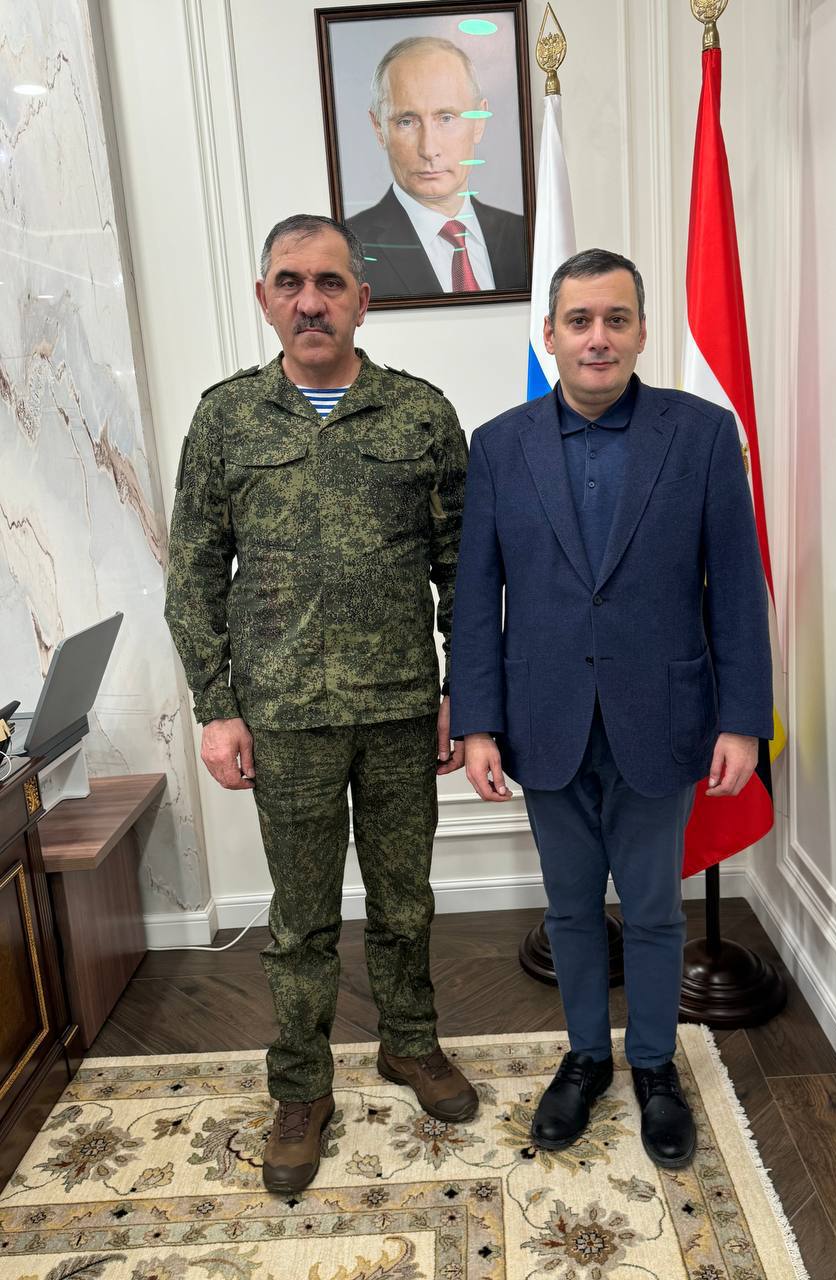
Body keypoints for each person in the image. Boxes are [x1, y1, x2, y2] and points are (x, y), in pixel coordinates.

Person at [164, 213, 477, 1196]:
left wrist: (462, 691)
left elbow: (464, 569)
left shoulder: (420, 415)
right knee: (299, 920)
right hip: (284, 715)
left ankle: (410, 1041)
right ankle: (301, 1087)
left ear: (362, 300)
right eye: (291, 283)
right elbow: (192, 573)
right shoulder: (227, 419)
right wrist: (217, 706)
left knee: (404, 901)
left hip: (398, 708)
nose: (311, 301)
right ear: (265, 299)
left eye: (331, 283)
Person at [450, 248, 772, 1167]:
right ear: (549, 335)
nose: (598, 337)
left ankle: (656, 1067)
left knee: (657, 910)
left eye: (616, 319)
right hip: (542, 719)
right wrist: (476, 722)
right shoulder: (498, 445)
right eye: (580, 320)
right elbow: (476, 597)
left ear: (641, 331)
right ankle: (587, 1057)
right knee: (571, 911)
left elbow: (735, 588)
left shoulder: (701, 435)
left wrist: (743, 720)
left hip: (664, 717)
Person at [348, 36, 527, 299]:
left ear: (479, 121)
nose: (429, 149)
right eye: (406, 122)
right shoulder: (347, 250)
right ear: (378, 129)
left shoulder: (527, 235)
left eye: (446, 118)